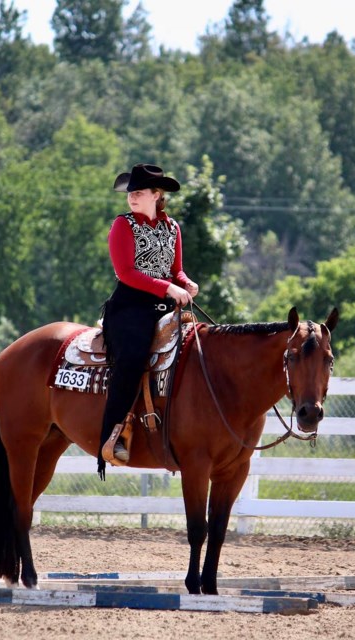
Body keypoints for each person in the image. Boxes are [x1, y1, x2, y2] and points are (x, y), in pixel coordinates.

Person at [98, 164, 199, 478]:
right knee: (132, 357)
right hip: (129, 308)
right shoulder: (123, 225)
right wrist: (169, 287)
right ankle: (112, 436)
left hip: (165, 307)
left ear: (157, 195)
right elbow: (126, 273)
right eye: (130, 193)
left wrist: (186, 283)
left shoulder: (173, 228)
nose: (131, 198)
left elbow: (175, 269)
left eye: (139, 193)